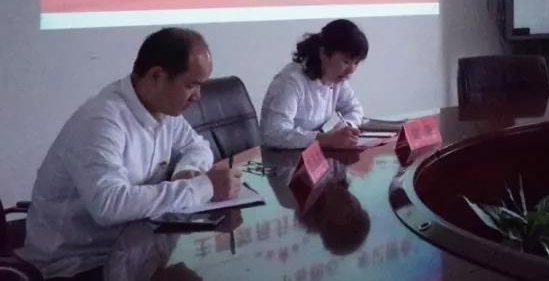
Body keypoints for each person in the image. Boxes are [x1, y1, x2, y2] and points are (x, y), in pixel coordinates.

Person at [20, 28, 243, 279]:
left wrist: (186, 171)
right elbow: (108, 205)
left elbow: (198, 146)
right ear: (157, 76)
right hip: (79, 264)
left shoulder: (162, 110)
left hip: (136, 247)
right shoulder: (102, 121)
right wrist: (202, 187)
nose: (198, 96)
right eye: (191, 85)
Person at [260, 19, 369, 150]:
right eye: (346, 61)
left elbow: (354, 109)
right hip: (280, 156)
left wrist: (345, 128)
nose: (351, 70)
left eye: (356, 63)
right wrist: (325, 139)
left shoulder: (336, 79)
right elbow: (274, 133)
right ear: (324, 54)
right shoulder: (291, 81)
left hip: (310, 155)